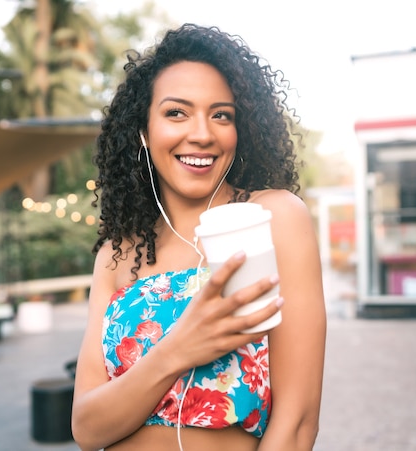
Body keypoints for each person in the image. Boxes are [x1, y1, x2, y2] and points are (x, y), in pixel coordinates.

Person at [72, 23, 326, 451]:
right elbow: (87, 429)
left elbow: (298, 421)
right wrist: (177, 350)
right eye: (176, 112)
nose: (203, 133)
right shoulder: (117, 256)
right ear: (143, 130)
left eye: (221, 114)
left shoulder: (274, 218)